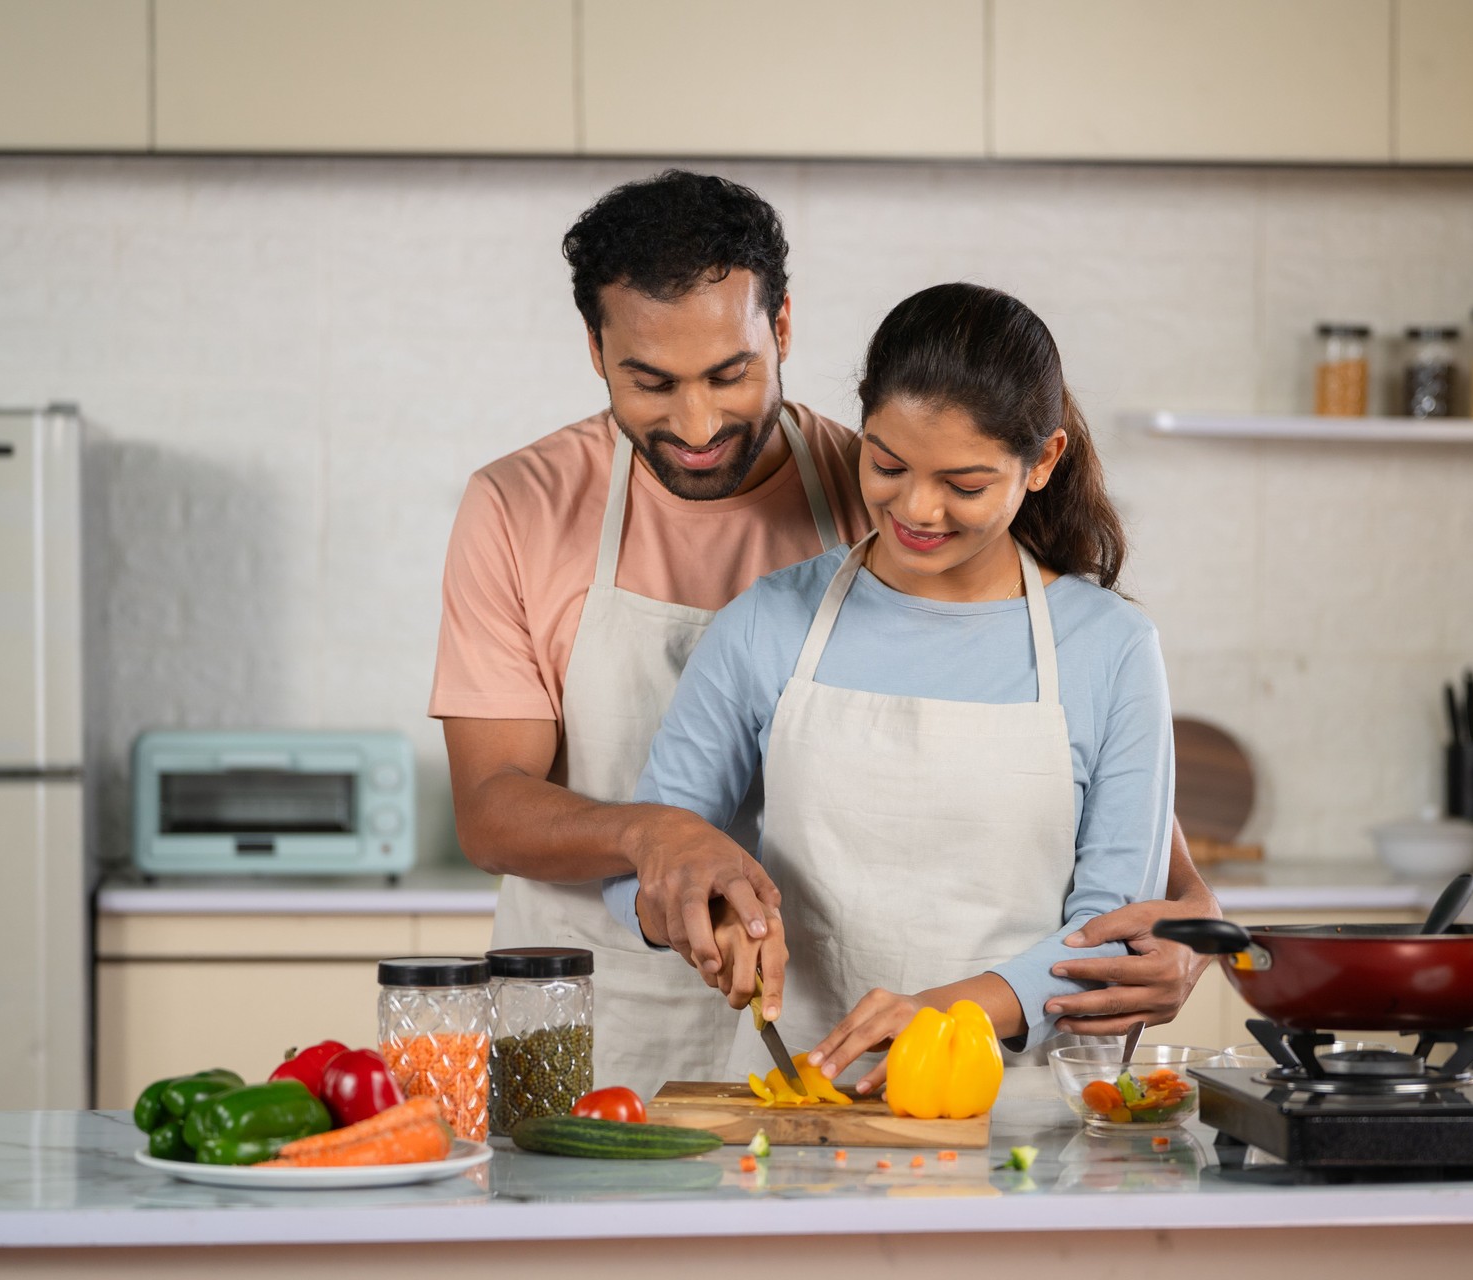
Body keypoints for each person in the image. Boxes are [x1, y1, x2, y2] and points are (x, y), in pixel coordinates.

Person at [432, 171, 1218, 1098]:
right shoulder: (530, 510)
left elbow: (1119, 843)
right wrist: (659, 843)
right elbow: (489, 807)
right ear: (598, 352)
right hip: (635, 1006)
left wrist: (1196, 918)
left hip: (961, 1067)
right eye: (653, 381)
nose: (696, 422)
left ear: (784, 329)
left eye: (730, 373)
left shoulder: (885, 480)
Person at [606, 282, 1191, 1093]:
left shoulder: (1112, 647)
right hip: (799, 1113)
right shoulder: (768, 622)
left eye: (966, 483)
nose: (917, 507)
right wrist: (699, 914)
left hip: (1024, 1118)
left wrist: (945, 1015)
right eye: (886, 464)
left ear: (1044, 461)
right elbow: (643, 860)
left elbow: (1115, 934)